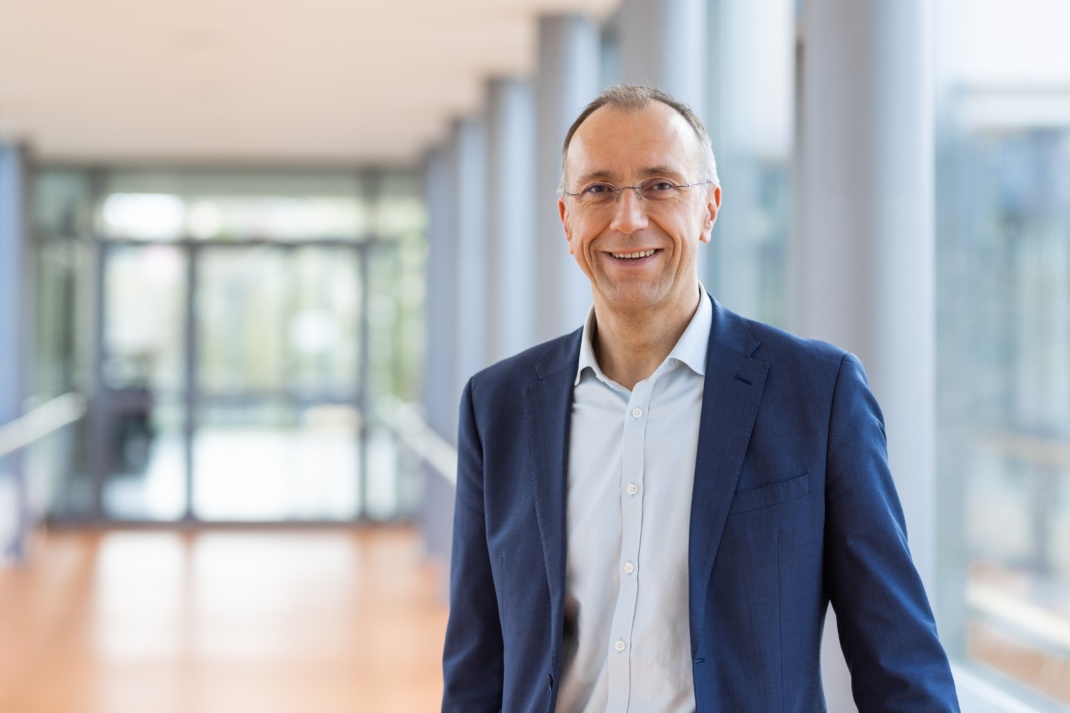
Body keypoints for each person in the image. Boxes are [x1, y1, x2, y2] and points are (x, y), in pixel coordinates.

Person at [441, 84, 959, 713]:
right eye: (599, 189)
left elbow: (899, 659)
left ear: (709, 209)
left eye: (660, 186)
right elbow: (476, 669)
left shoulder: (818, 396)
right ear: (567, 218)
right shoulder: (496, 409)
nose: (628, 219)